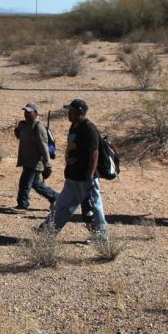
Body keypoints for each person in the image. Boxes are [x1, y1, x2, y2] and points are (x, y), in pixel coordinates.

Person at [40, 99, 108, 239]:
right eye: (69, 111)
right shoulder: (74, 127)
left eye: (71, 111)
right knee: (62, 205)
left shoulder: (89, 128)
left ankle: (101, 237)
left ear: (80, 113)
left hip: (86, 177)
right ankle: (48, 231)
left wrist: (90, 176)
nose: (68, 114)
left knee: (93, 206)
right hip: (73, 175)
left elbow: (94, 153)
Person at [14, 102, 57, 210]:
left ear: (36, 113)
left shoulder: (38, 127)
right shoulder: (25, 125)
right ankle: (55, 197)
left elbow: (44, 147)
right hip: (27, 160)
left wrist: (48, 164)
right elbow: (19, 137)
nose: (26, 114)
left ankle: (23, 203)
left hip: (35, 161)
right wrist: (18, 129)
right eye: (25, 111)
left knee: (25, 183)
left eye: (29, 112)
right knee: (36, 184)